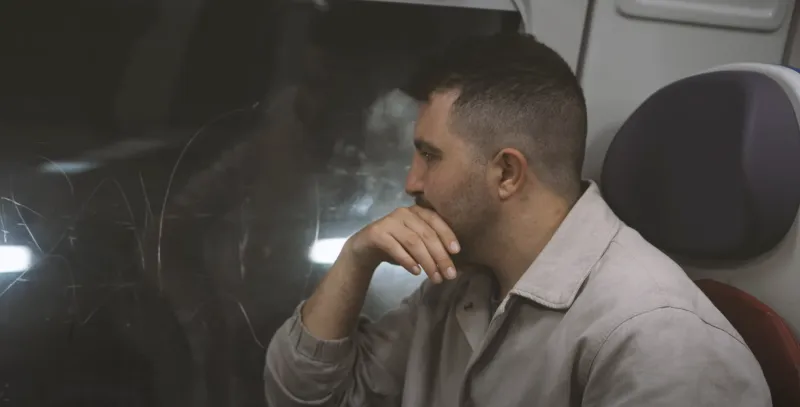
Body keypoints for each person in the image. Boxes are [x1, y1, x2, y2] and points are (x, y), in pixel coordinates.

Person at [263, 33, 771, 407]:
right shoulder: (459, 288)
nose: (411, 182)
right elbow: (309, 399)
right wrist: (356, 258)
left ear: (506, 173)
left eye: (430, 156)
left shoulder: (658, 339)